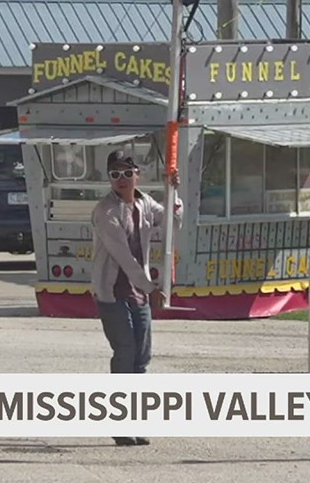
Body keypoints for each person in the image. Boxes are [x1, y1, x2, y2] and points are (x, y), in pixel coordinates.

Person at [90, 149, 182, 447]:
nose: (122, 179)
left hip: (138, 292)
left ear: (136, 175)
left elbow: (171, 223)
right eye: (115, 174)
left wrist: (174, 193)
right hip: (112, 292)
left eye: (127, 173)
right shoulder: (105, 211)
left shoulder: (144, 203)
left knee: (141, 358)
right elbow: (124, 257)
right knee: (125, 351)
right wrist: (151, 288)